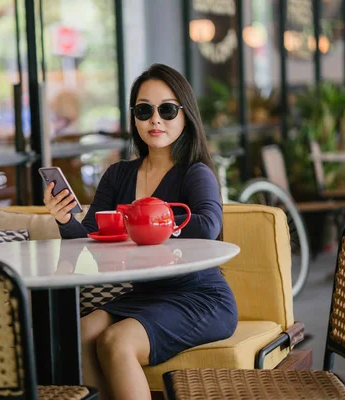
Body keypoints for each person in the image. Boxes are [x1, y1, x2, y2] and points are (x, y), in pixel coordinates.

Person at [43, 63, 238, 400]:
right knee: (83, 331)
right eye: (144, 110)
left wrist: (144, 225)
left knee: (115, 340)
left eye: (167, 109)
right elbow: (88, 240)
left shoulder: (195, 172)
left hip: (200, 295)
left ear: (185, 115)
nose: (155, 120)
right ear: (134, 117)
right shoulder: (118, 175)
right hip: (147, 296)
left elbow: (208, 225)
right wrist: (64, 220)